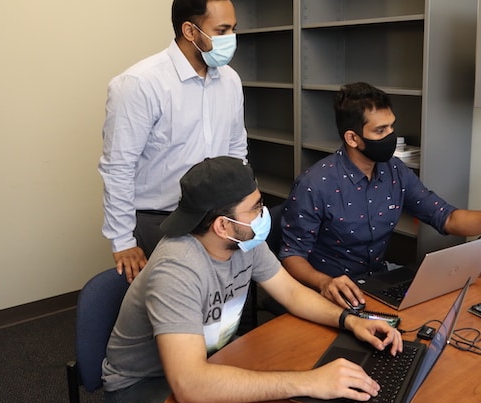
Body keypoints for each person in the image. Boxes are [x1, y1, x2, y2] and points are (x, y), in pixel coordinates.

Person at [101, 156, 403, 403]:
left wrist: (351, 320)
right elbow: (189, 386)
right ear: (222, 225)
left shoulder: (245, 243)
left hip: (208, 362)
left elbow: (292, 293)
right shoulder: (177, 270)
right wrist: (310, 382)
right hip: (145, 385)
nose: (264, 213)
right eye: (256, 207)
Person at [279, 82, 481, 309]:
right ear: (353, 138)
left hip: (377, 284)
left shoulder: (394, 171)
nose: (391, 135)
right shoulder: (315, 184)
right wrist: (325, 282)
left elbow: (448, 218)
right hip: (328, 294)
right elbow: (292, 256)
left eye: (392, 126)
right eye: (381, 130)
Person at [98, 0, 247, 283]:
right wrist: (123, 241)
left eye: (233, 29)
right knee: (170, 308)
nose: (231, 38)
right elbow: (119, 168)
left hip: (215, 215)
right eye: (221, 31)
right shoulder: (140, 84)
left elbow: (235, 149)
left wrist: (240, 208)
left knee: (218, 300)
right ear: (190, 31)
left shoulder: (230, 80)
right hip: (159, 219)